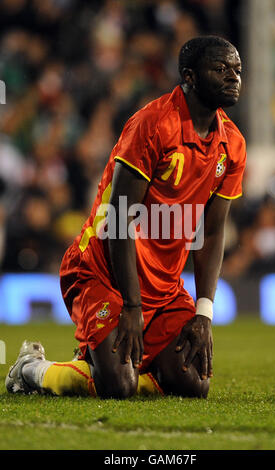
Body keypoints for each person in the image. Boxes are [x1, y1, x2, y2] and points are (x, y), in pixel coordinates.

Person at [6, 36, 246, 399]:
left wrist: (204, 313)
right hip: (101, 271)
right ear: (190, 77)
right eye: (221, 69)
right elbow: (120, 220)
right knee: (119, 386)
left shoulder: (234, 144)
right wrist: (132, 307)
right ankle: (30, 369)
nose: (233, 77)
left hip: (163, 289)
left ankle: (97, 361)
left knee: (192, 386)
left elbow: (212, 233)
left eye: (237, 70)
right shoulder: (153, 124)